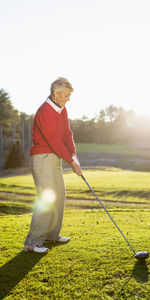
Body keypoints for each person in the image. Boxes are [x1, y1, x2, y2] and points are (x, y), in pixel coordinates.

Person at [24, 77, 82, 253]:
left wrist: (73, 154)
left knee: (59, 195)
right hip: (42, 158)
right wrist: (71, 162)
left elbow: (66, 133)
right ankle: (32, 243)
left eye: (69, 95)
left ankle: (51, 234)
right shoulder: (45, 111)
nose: (68, 99)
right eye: (65, 95)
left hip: (54, 158)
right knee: (47, 198)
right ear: (55, 94)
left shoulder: (61, 109)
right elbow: (55, 141)